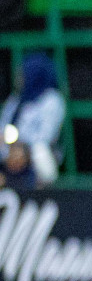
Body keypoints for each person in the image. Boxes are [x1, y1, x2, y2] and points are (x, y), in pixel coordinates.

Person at [0, 53, 65, 189]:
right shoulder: (15, 99)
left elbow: (46, 136)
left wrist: (23, 148)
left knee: (39, 151)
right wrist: (10, 148)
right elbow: (3, 128)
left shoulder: (52, 99)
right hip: (11, 152)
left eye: (22, 74)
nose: (19, 78)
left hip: (34, 154)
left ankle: (43, 193)